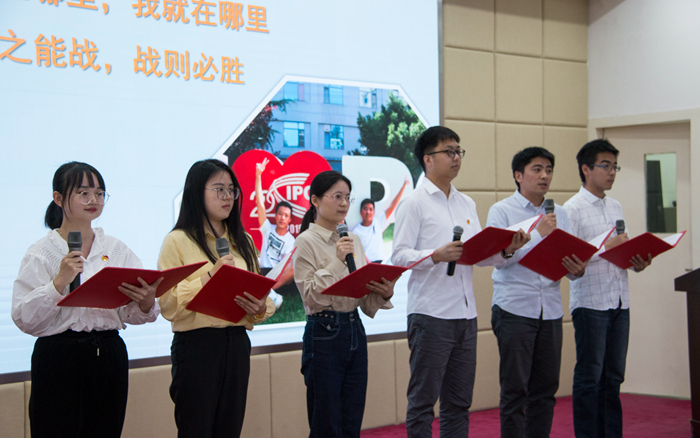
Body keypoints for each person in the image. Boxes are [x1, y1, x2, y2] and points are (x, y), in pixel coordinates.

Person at [392, 126, 529, 438]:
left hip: (466, 314)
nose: (456, 157)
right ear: (428, 159)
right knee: (423, 402)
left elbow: (478, 255)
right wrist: (435, 255)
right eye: (448, 151)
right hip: (431, 314)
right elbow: (398, 257)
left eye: (458, 151)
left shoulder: (466, 203)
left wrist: (507, 249)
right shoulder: (413, 203)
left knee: (458, 403)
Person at [12, 162, 161, 438]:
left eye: (99, 193)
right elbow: (24, 318)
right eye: (83, 193)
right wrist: (58, 283)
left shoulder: (116, 249)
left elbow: (132, 314)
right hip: (59, 357)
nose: (93, 200)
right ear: (58, 198)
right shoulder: (41, 252)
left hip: (108, 353)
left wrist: (145, 302)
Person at [158, 159, 275, 438]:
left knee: (230, 428)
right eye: (219, 189)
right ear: (196, 192)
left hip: (236, 344)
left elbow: (260, 292)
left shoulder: (244, 240)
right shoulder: (177, 240)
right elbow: (168, 304)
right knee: (196, 429)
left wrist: (260, 307)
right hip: (197, 347)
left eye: (231, 190)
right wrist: (210, 276)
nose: (227, 197)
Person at [486, 147, 588, 438]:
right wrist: (538, 235)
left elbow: (566, 261)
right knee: (515, 390)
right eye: (537, 169)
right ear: (518, 175)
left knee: (545, 390)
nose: (545, 176)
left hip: (551, 309)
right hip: (514, 308)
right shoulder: (502, 210)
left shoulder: (560, 213)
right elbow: (496, 260)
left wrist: (577, 269)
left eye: (549, 170)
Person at [293, 170, 396, 438]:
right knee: (326, 424)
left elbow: (362, 298)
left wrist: (384, 293)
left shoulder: (354, 240)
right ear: (315, 200)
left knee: (351, 421)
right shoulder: (305, 241)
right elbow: (310, 296)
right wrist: (337, 260)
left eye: (348, 197)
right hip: (323, 333)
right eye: (337, 196)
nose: (344, 203)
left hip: (354, 329)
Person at [564, 139, 652, 438]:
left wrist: (636, 260)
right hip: (591, 303)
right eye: (605, 165)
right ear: (586, 169)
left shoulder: (615, 206)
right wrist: (606, 247)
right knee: (590, 377)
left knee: (613, 377)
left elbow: (619, 251)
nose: (612, 172)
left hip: (619, 301)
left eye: (615, 166)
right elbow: (570, 261)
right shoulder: (571, 209)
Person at [255, 157, 296, 308]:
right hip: (264, 270)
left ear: (290, 219)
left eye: (286, 215)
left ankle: (266, 291)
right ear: (275, 215)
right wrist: (258, 175)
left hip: (278, 275)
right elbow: (260, 203)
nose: (282, 218)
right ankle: (269, 294)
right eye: (280, 214)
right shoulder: (268, 228)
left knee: (294, 266)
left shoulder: (291, 240)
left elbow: (285, 264)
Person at [352, 176, 410, 263]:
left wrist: (404, 186)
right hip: (368, 265)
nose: (368, 212)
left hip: (382, 262)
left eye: (371, 209)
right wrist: (370, 265)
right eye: (365, 209)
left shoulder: (378, 222)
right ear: (361, 211)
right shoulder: (356, 232)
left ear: (374, 212)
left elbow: (392, 205)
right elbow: (358, 252)